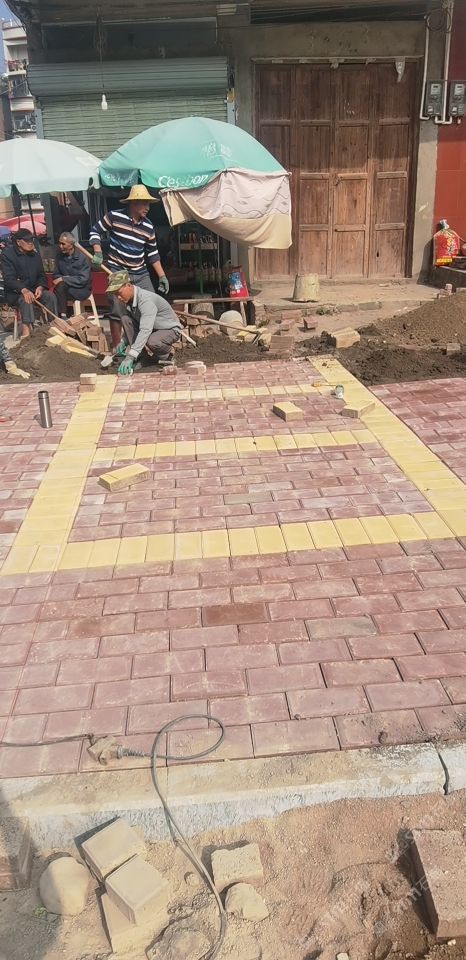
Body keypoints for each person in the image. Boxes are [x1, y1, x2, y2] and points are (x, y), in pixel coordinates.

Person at [89, 185, 169, 341]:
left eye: (148, 204)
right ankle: (116, 347)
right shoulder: (114, 217)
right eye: (144, 204)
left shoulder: (148, 226)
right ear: (133, 203)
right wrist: (97, 251)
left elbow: (153, 254)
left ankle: (148, 344)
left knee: (151, 305)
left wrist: (162, 276)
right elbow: (95, 231)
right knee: (117, 309)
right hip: (118, 270)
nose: (147, 208)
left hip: (140, 272)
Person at [106, 270, 181, 376]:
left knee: (153, 341)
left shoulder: (146, 301)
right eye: (115, 295)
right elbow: (132, 323)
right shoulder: (129, 300)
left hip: (169, 329)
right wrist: (123, 341)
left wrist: (130, 356)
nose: (118, 297)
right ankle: (143, 357)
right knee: (125, 319)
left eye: (119, 293)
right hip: (153, 328)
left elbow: (145, 329)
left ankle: (167, 355)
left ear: (129, 286)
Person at [1, 229, 57, 339]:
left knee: (50, 296)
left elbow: (41, 275)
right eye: (27, 241)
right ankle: (26, 333)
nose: (30, 243)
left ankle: (53, 325)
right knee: (26, 299)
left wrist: (40, 287)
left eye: (31, 240)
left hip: (34, 289)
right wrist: (23, 289)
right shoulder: (8, 255)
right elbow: (9, 278)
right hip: (16, 293)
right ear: (18, 242)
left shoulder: (34, 256)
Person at [52, 232, 92, 319]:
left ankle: (63, 316)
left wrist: (64, 279)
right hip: (64, 289)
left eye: (63, 244)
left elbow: (83, 279)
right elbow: (55, 275)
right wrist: (62, 279)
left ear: (71, 245)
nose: (60, 246)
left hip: (81, 289)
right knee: (53, 294)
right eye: (59, 243)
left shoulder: (83, 258)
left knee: (60, 288)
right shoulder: (59, 257)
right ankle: (59, 317)